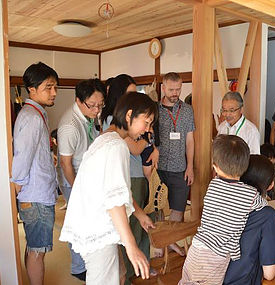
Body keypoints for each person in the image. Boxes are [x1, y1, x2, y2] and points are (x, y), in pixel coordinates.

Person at [59, 92, 158, 285]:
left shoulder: (106, 139)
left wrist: (139, 215)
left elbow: (120, 191)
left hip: (90, 225)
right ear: (129, 115)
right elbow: (114, 201)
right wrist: (131, 247)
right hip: (97, 230)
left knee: (118, 275)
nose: (147, 129)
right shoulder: (116, 146)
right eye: (146, 122)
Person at [179, 135, 267, 284]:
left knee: (186, 281)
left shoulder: (213, 185)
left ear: (215, 166)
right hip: (216, 256)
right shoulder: (250, 194)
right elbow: (263, 205)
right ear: (245, 167)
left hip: (197, 247)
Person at [11, 62, 59, 285]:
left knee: (33, 247)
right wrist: (19, 189)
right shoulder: (31, 117)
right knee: (37, 251)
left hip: (37, 194)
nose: (54, 93)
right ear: (32, 89)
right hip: (36, 196)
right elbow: (21, 158)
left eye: (55, 87)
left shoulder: (35, 113)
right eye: (48, 87)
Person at [56, 78, 105, 281]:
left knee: (87, 223)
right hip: (73, 180)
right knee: (77, 224)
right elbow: (65, 164)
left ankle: (85, 262)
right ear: (78, 101)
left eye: (100, 105)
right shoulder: (70, 125)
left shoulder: (89, 116)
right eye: (92, 105)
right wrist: (77, 192)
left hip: (86, 177)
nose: (97, 110)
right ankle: (78, 268)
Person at [223, 155, 275, 284]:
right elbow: (269, 274)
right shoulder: (267, 215)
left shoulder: (223, 203)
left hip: (210, 277)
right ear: (270, 185)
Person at [157, 72, 195, 256]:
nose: (175, 93)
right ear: (163, 88)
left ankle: (170, 241)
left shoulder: (187, 110)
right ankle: (159, 243)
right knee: (156, 209)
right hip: (157, 168)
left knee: (178, 208)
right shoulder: (154, 110)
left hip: (180, 167)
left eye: (178, 89)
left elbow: (190, 140)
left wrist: (190, 166)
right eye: (171, 89)